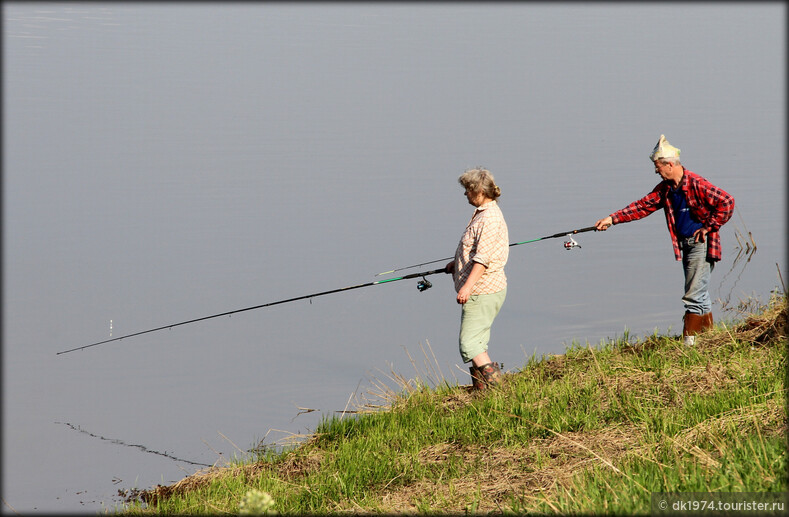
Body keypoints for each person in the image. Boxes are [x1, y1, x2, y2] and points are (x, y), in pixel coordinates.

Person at [594, 135, 735, 345]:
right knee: (699, 293)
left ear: (670, 164)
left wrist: (709, 226)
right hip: (686, 245)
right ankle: (707, 341)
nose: (656, 171)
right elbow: (642, 206)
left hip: (701, 245)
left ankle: (689, 346)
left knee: (693, 296)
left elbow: (727, 201)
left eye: (657, 166)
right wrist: (612, 219)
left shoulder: (696, 183)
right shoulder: (666, 189)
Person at [445, 167, 509, 390]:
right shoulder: (484, 212)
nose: (465, 195)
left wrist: (467, 287)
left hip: (483, 290)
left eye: (467, 190)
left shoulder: (489, 219)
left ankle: (496, 389)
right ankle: (483, 393)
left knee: (470, 344)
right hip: (485, 289)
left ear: (479, 191)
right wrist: (457, 264)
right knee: (477, 341)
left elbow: (482, 259)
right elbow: (476, 250)